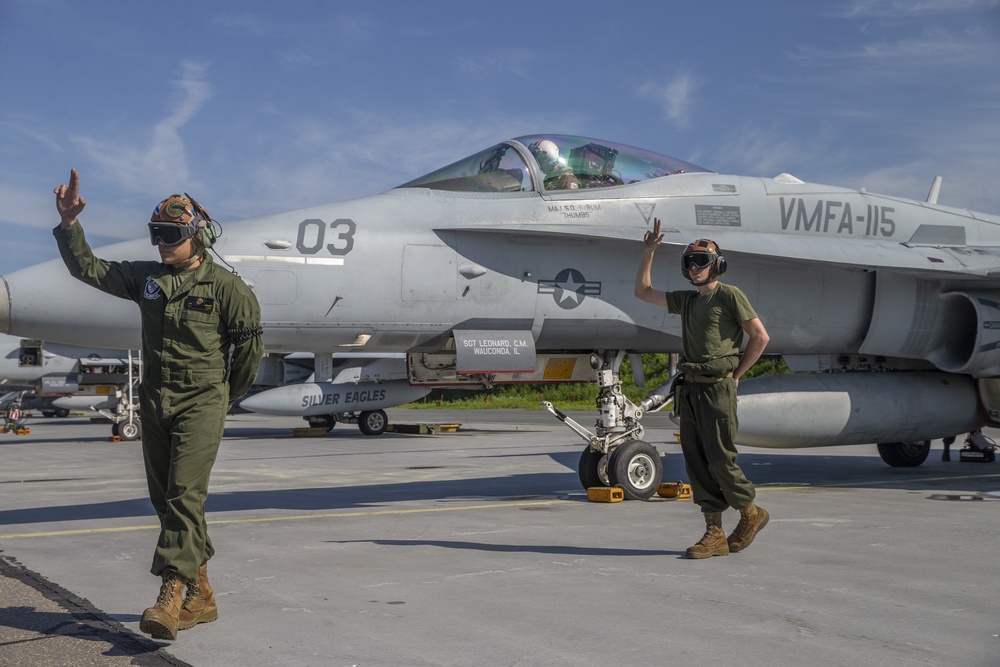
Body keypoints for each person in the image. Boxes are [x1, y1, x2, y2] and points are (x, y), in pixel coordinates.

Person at [53, 169, 264, 639]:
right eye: (156, 235)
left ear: (197, 236)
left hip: (202, 398)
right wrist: (70, 226)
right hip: (156, 398)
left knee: (185, 496)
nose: (161, 243)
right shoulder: (147, 278)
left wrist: (228, 397)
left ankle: (169, 596)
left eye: (170, 235)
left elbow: (249, 353)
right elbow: (88, 268)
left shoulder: (230, 290)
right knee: (165, 501)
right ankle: (202, 594)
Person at [634, 218, 771, 559]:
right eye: (689, 262)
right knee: (696, 462)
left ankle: (751, 512)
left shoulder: (729, 295)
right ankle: (714, 533)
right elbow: (643, 292)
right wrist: (649, 251)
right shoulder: (688, 301)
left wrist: (736, 374)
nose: (694, 268)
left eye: (701, 262)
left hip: (717, 390)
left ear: (716, 265)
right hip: (691, 391)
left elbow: (760, 337)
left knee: (721, 460)